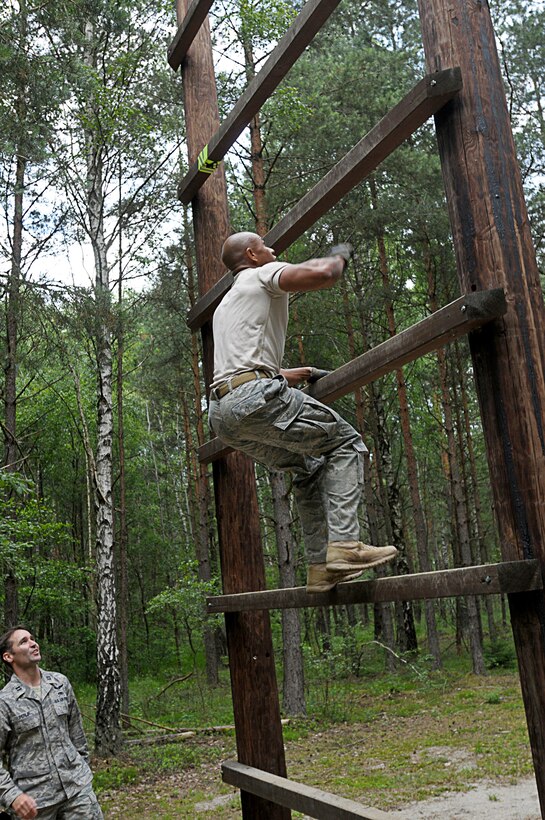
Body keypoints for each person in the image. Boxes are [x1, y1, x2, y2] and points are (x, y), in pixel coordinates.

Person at [208, 231, 398, 593]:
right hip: (254, 397)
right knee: (345, 443)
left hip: (222, 416)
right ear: (251, 254)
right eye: (265, 246)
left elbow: (242, 363)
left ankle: (319, 568)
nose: (273, 249)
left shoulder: (227, 304)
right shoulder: (262, 274)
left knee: (307, 467)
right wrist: (339, 256)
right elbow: (322, 274)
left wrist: (297, 373)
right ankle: (345, 545)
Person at [0, 626, 103, 820]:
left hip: (77, 794)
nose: (33, 643)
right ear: (8, 657)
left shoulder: (60, 684)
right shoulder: (5, 701)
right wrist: (12, 796)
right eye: (23, 641)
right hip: (35, 804)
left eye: (32, 638)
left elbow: (77, 735)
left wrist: (82, 772)